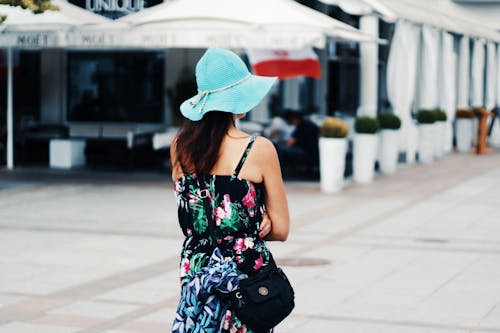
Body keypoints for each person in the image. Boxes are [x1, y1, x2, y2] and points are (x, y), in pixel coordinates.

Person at [170, 48, 290, 333]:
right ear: (236, 98)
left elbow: (198, 215)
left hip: (196, 271)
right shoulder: (258, 150)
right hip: (245, 278)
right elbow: (281, 229)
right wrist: (261, 222)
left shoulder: (179, 147)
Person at [276, 109, 319, 176]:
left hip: (304, 151)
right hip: (314, 151)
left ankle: (280, 171)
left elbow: (290, 144)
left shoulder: (301, 127)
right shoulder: (312, 125)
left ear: (295, 119)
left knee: (280, 150)